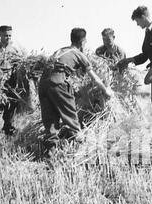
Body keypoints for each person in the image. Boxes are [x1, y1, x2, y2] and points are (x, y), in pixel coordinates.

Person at [38, 28, 113, 158]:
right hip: (58, 82)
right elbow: (94, 78)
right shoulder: (78, 53)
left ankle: (51, 153)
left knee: (50, 120)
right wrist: (105, 90)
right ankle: (80, 153)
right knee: (71, 118)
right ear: (83, 42)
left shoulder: (60, 51)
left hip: (43, 83)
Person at [0, 25, 25, 143]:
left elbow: (18, 65)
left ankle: (7, 126)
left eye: (10, 35)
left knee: (11, 106)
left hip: (10, 83)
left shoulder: (15, 50)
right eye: (6, 35)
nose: (8, 38)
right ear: (0, 35)